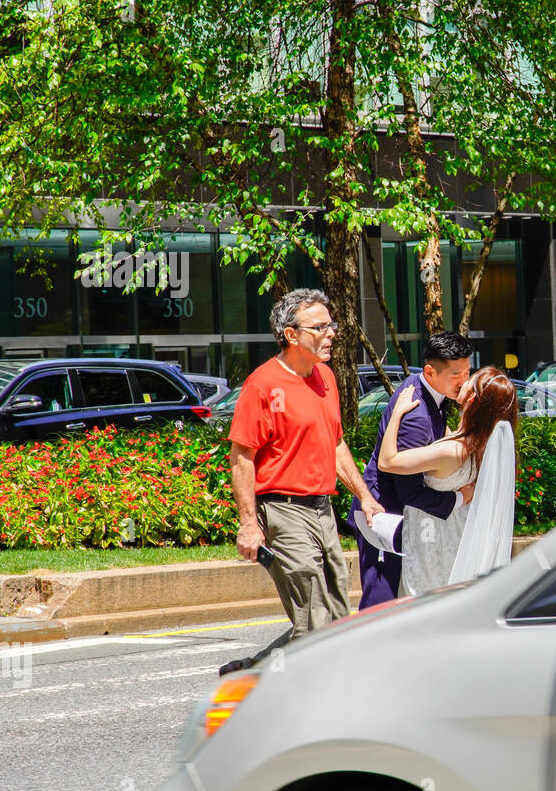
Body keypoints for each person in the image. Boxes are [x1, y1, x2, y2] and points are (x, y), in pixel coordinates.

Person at [219, 289, 371, 675]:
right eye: (320, 327)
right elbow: (242, 459)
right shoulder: (262, 385)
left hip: (322, 511)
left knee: (336, 620)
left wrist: (365, 497)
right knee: (314, 619)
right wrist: (249, 525)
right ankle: (305, 702)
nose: (331, 333)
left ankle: (250, 673)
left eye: (331, 325)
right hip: (284, 513)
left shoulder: (325, 377)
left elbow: (335, 443)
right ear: (291, 334)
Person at [352, 332, 475, 609]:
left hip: (400, 515)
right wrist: (459, 498)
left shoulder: (427, 389)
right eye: (456, 374)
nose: (464, 381)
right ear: (430, 372)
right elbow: (408, 491)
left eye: (467, 372)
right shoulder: (416, 416)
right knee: (381, 600)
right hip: (384, 513)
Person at [376, 366, 518, 595]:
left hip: (432, 541)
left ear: (472, 397)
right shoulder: (480, 445)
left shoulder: (453, 450)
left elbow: (387, 461)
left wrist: (396, 413)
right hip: (454, 535)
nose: (464, 379)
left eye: (470, 378)